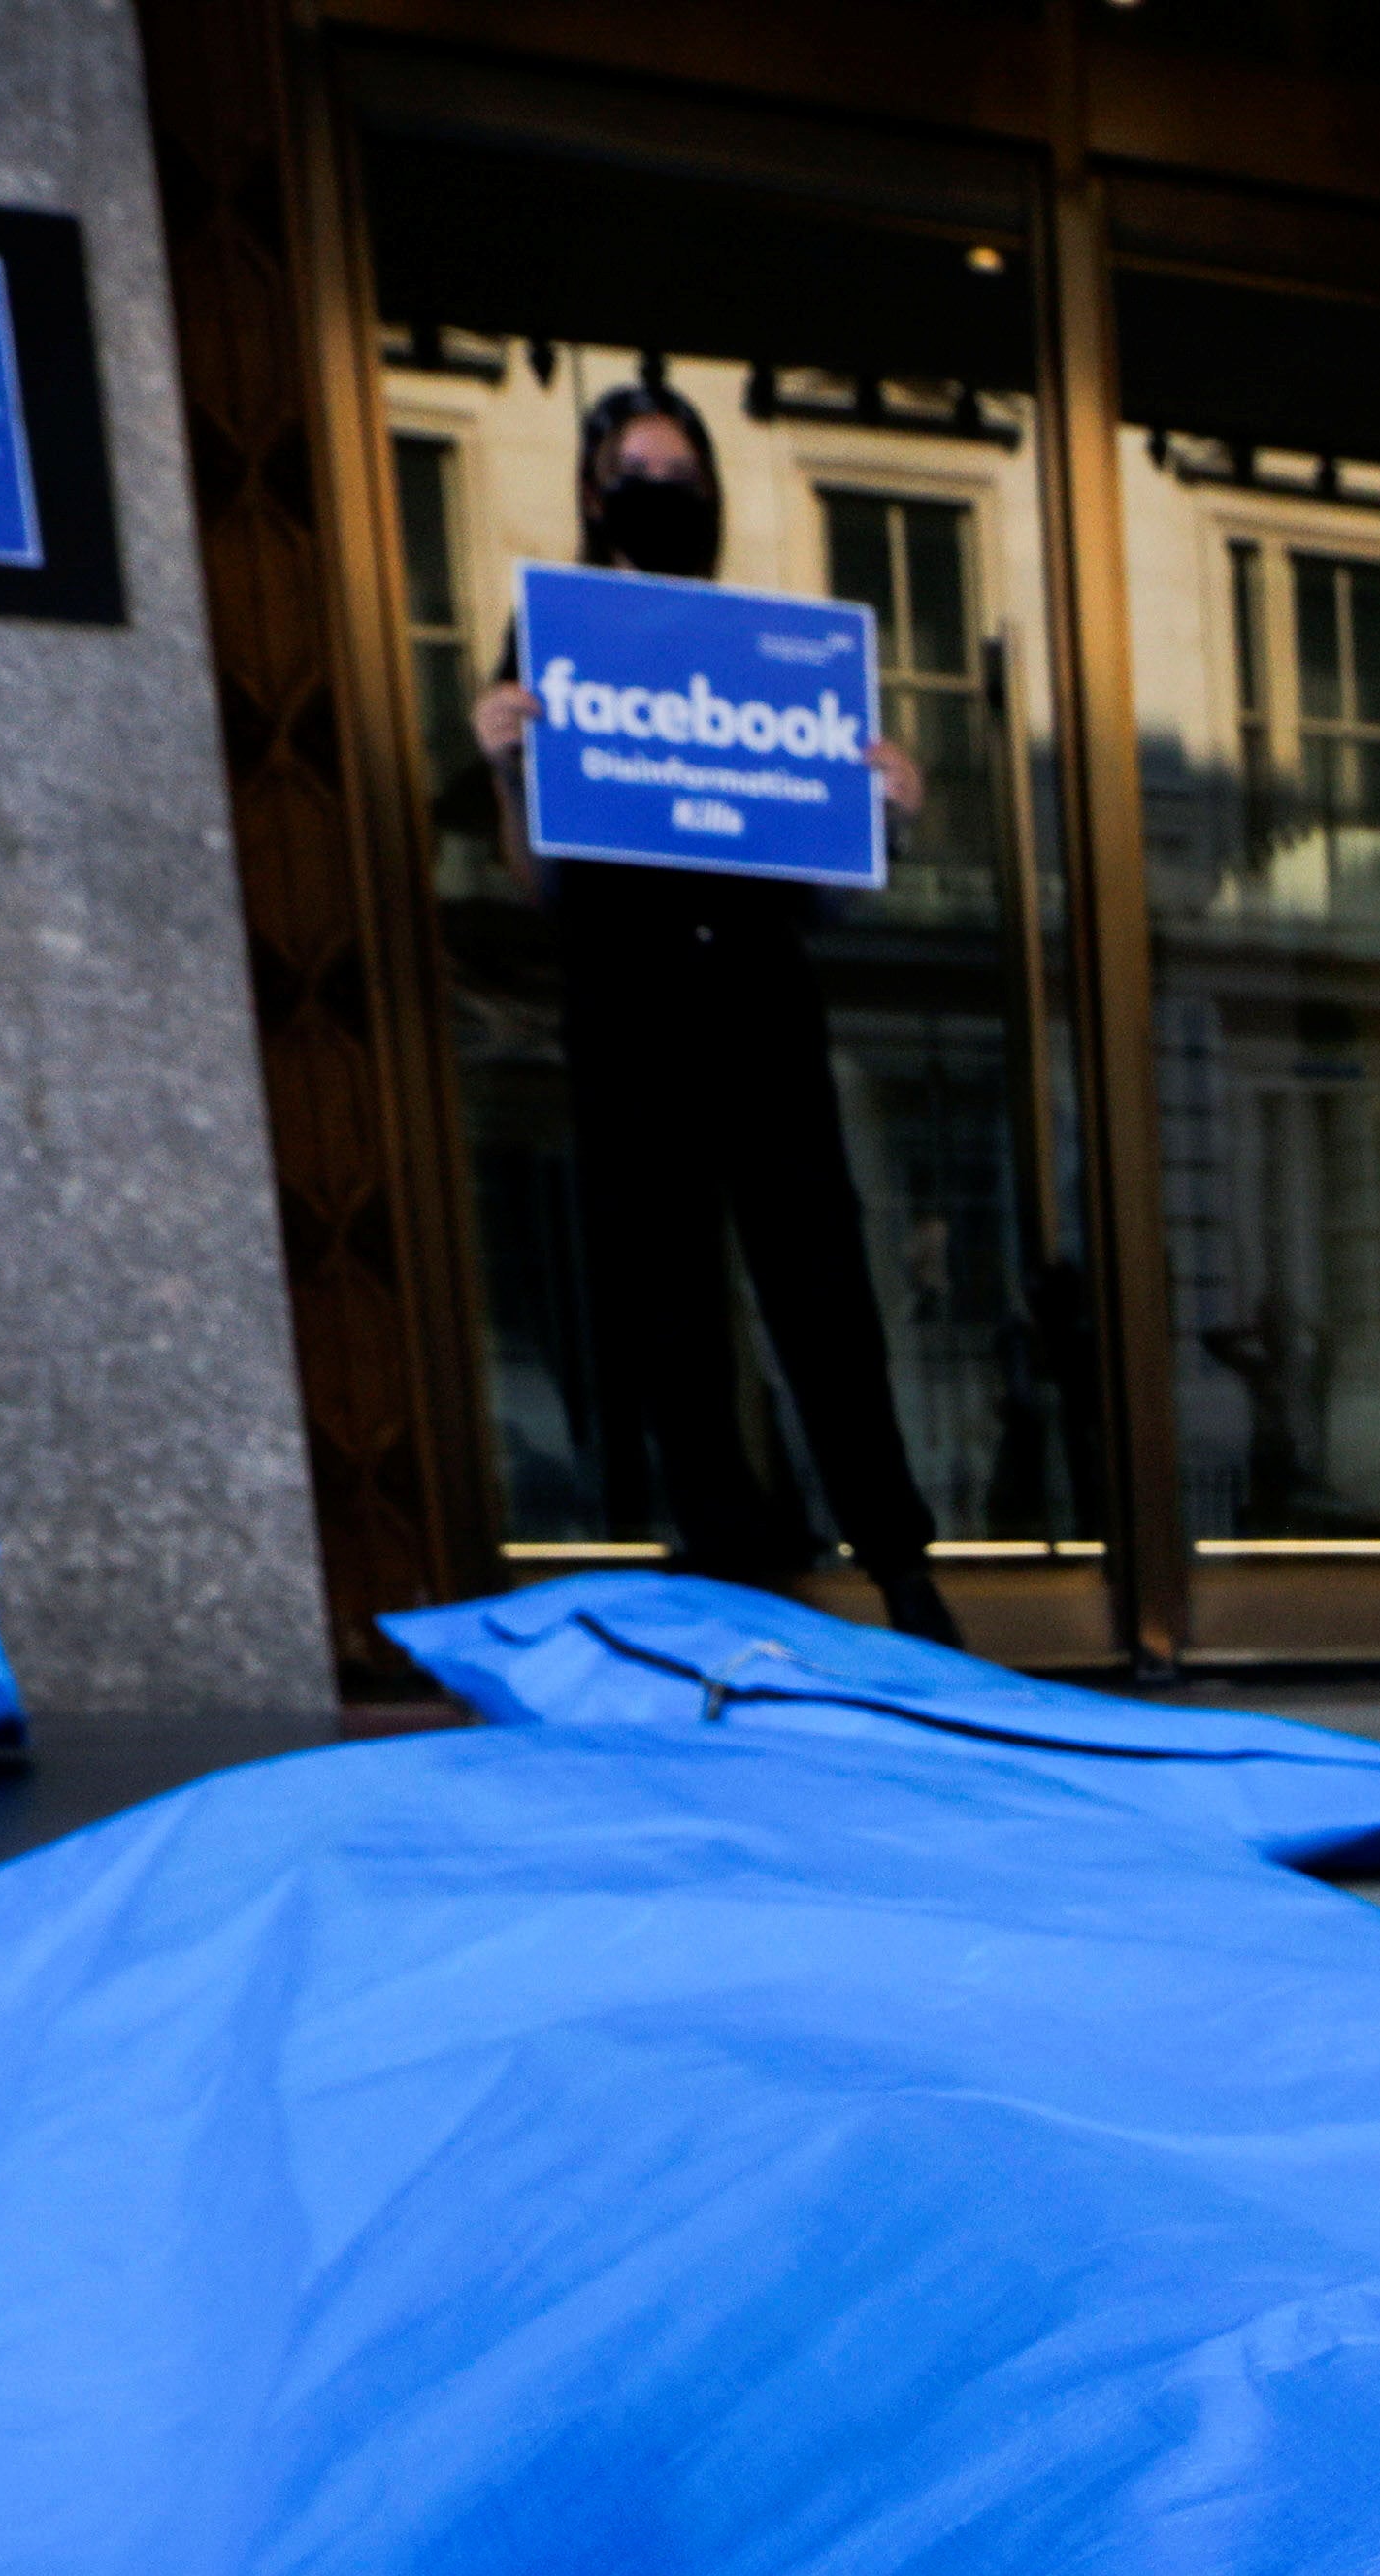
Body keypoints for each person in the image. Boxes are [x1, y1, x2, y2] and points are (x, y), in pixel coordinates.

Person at [476, 386, 955, 1647]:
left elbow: (825, 890)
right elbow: (540, 880)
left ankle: (898, 1560)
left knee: (821, 1284)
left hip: (758, 999)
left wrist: (885, 814)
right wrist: (506, 768)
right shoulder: (549, 640)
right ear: (594, 494)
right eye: (637, 472)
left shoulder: (765, 650)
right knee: (669, 1295)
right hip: (630, 1006)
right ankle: (731, 1562)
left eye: (680, 474)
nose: (660, 493)